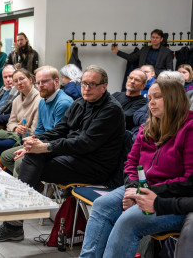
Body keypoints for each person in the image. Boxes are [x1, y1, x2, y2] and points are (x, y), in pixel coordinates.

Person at [0, 65, 125, 242]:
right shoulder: (81, 102)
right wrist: (34, 141)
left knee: (33, 158)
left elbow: (85, 143)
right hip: (75, 156)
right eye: (84, 84)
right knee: (31, 154)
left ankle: (14, 223)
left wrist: (46, 147)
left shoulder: (110, 110)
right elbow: (61, 129)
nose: (86, 88)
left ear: (103, 86)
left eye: (92, 84)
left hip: (95, 166)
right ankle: (15, 218)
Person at [79, 80, 193, 258]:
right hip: (141, 188)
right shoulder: (149, 126)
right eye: (149, 98)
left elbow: (189, 180)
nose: (151, 103)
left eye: (158, 97)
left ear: (174, 99)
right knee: (101, 205)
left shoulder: (189, 129)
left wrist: (141, 192)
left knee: (128, 221)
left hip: (172, 198)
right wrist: (133, 187)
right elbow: (131, 162)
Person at [0, 66, 74, 177]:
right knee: (5, 157)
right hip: (41, 141)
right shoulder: (43, 101)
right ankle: (34, 184)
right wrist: (30, 144)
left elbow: (58, 135)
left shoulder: (63, 103)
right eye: (38, 83)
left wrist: (32, 147)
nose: (40, 85)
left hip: (54, 146)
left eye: (44, 81)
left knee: (20, 163)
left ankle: (26, 188)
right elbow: (39, 130)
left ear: (56, 81)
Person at [0, 68, 40, 166]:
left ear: (30, 79)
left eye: (22, 79)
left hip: (23, 138)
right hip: (13, 134)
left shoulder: (39, 100)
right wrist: (15, 128)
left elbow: (36, 128)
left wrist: (23, 130)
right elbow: (11, 121)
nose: (19, 83)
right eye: (16, 81)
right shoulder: (17, 100)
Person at [131, 70, 185, 139]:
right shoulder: (153, 101)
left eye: (162, 83)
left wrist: (154, 119)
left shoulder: (186, 125)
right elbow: (137, 114)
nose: (156, 85)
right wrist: (152, 120)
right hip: (136, 134)